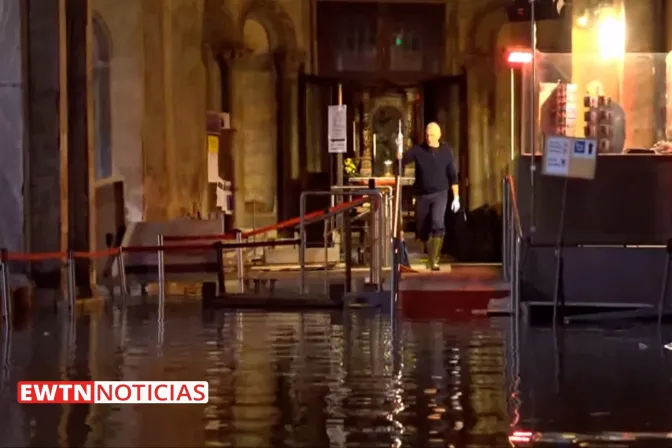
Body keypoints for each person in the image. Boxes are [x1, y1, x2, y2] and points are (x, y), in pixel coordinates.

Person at [398, 122, 460, 271]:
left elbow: (453, 175)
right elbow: (402, 161)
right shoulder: (418, 150)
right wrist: (399, 152)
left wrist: (456, 197)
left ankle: (434, 260)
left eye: (432, 134)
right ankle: (427, 247)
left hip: (440, 193)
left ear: (439, 135)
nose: (429, 137)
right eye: (427, 134)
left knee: (437, 223)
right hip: (422, 194)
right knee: (422, 227)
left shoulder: (446, 151)